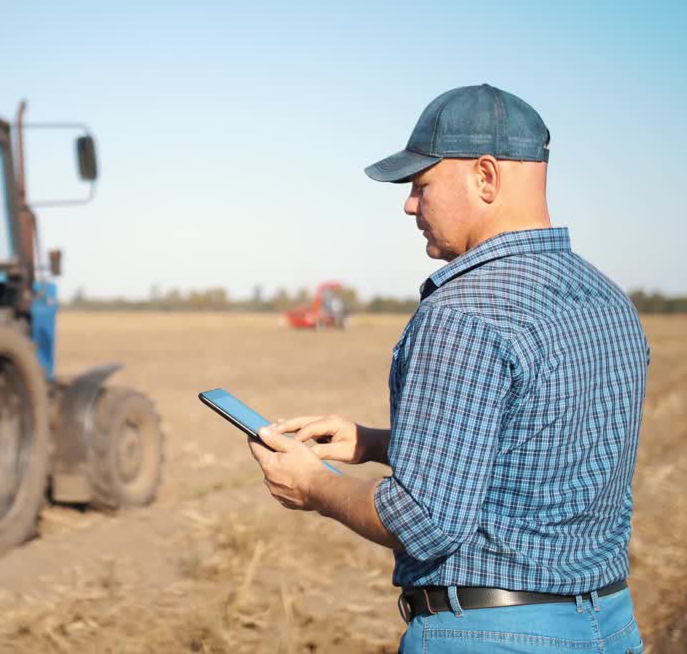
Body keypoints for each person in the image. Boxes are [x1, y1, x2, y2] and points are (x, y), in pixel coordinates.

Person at [247, 84, 649, 653]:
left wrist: (312, 485)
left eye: (421, 184)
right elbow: (536, 452)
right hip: (609, 624)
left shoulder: (462, 312)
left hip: (491, 635)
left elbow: (421, 520)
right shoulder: (606, 299)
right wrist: (370, 442)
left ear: (486, 176)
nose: (409, 205)